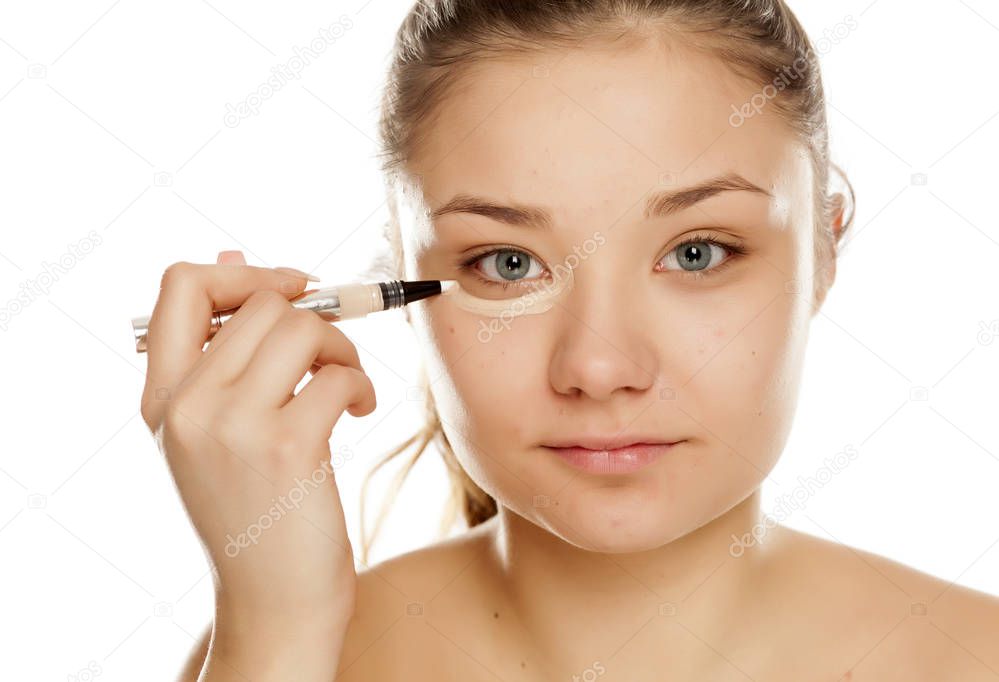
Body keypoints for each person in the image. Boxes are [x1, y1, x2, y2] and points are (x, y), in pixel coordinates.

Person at [140, 1, 999, 680]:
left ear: (823, 247)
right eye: (508, 263)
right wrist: (275, 634)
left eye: (696, 253)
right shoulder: (281, 657)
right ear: (399, 279)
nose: (598, 367)